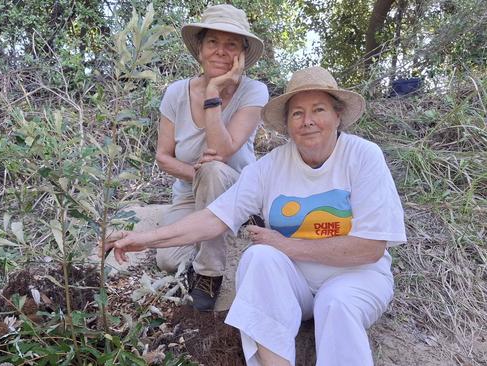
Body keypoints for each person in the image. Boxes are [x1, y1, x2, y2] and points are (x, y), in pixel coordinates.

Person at [105, 66, 407, 365]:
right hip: (295, 285)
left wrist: (288, 245)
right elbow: (215, 218)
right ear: (287, 123)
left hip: (355, 279)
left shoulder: (363, 156)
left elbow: (371, 248)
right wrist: (145, 239)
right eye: (298, 113)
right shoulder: (271, 166)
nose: (308, 121)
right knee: (258, 257)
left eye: (319, 110)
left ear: (337, 115)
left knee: (336, 302)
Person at [153, 4, 269, 311]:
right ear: (200, 49)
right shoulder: (176, 93)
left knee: (216, 169)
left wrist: (214, 90)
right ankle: (210, 231)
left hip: (235, 186)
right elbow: (163, 157)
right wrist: (199, 175)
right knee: (167, 259)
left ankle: (209, 275)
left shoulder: (254, 92)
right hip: (191, 192)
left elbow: (223, 148)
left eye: (231, 44)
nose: (220, 51)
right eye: (213, 42)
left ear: (242, 55)